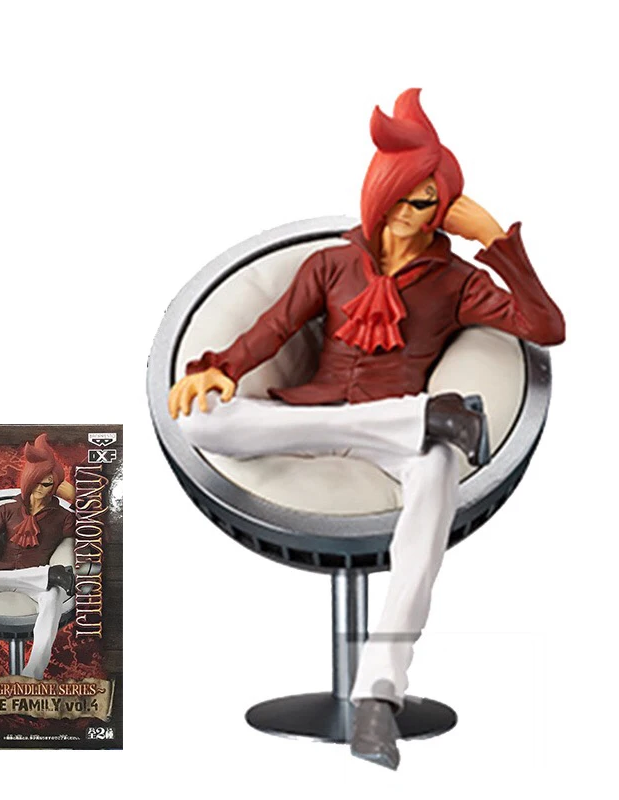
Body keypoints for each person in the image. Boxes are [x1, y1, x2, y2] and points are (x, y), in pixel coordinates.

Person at [168, 88, 565, 769]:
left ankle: (379, 696)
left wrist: (496, 240)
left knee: (437, 473)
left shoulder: (455, 281)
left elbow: (545, 327)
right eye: (407, 200)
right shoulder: (330, 264)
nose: (417, 216)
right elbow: (273, 328)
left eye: (432, 205)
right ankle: (422, 419)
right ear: (381, 195)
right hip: (323, 418)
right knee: (203, 423)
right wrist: (217, 368)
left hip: (402, 447)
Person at [0, 433, 99, 680]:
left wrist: (76, 495)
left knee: (53, 597)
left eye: (47, 484)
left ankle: (32, 675)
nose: (40, 490)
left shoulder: (63, 517)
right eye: (36, 482)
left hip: (37, 585)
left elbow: (93, 530)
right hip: (3, 573)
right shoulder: (8, 509)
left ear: (55, 485)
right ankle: (46, 575)